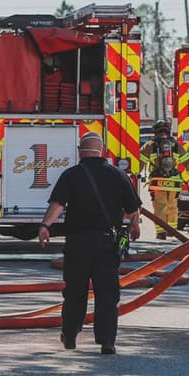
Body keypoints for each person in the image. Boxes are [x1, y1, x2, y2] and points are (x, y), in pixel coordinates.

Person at [38, 132, 141, 355]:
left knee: (75, 292)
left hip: (77, 243)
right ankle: (107, 341)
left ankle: (70, 335)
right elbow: (133, 209)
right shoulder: (118, 175)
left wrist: (45, 226)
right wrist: (135, 227)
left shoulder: (71, 175)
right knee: (107, 294)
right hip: (106, 244)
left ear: (79, 152)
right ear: (102, 151)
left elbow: (58, 205)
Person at [139, 120, 189, 240]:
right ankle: (172, 230)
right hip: (174, 183)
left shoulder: (150, 145)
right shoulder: (176, 145)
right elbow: (187, 162)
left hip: (157, 182)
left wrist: (132, 175)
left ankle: (161, 232)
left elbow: (139, 163)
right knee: (172, 206)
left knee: (160, 207)